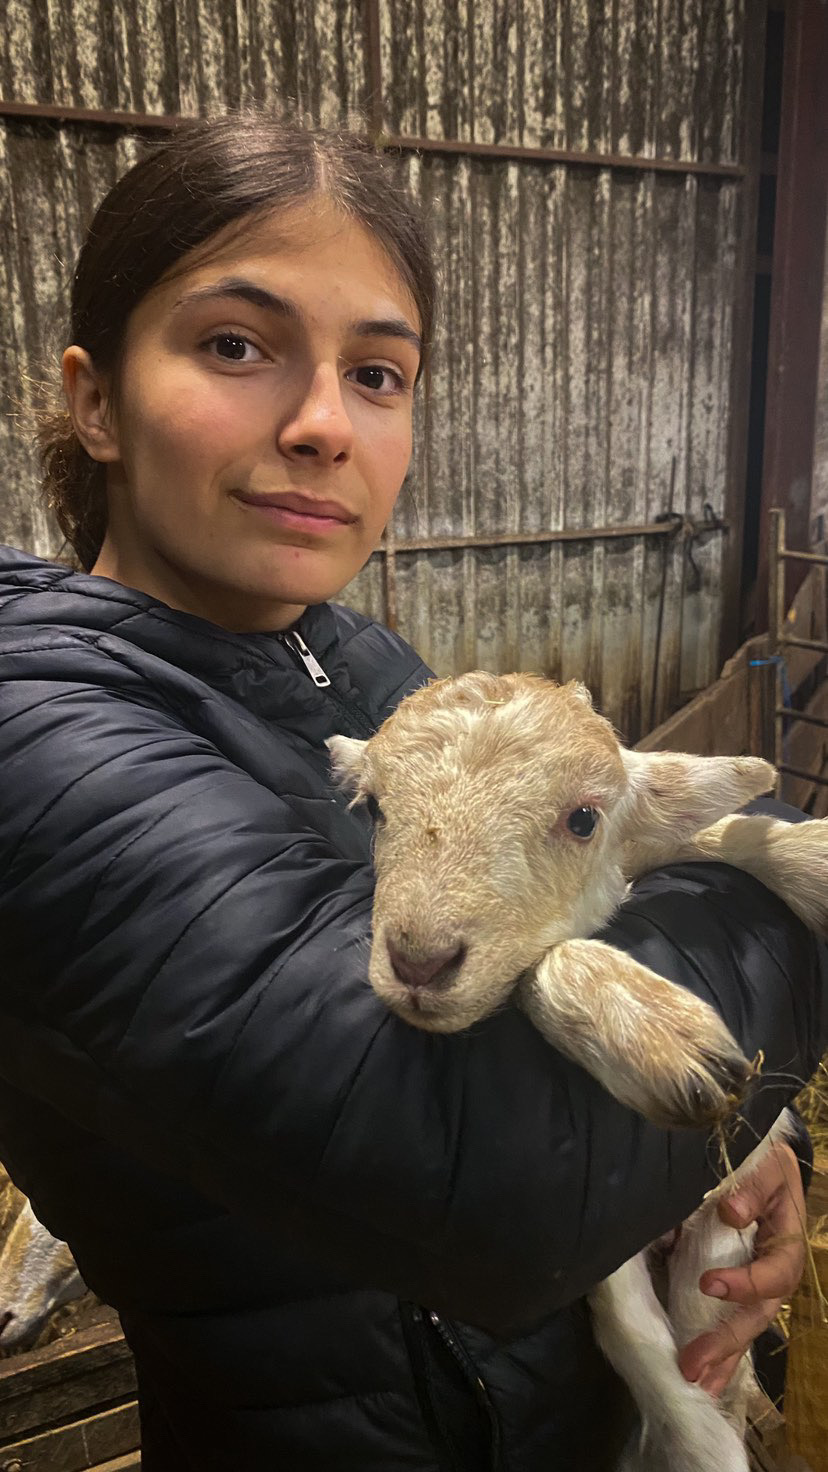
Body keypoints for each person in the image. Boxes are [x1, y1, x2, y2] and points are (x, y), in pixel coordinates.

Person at [0, 113, 823, 1472]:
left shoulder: (363, 665)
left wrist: (707, 1160)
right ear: (95, 400)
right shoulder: (39, 731)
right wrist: (731, 1058)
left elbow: (573, 878)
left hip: (576, 1418)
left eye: (378, 373)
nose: (324, 424)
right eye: (234, 345)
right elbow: (503, 1183)